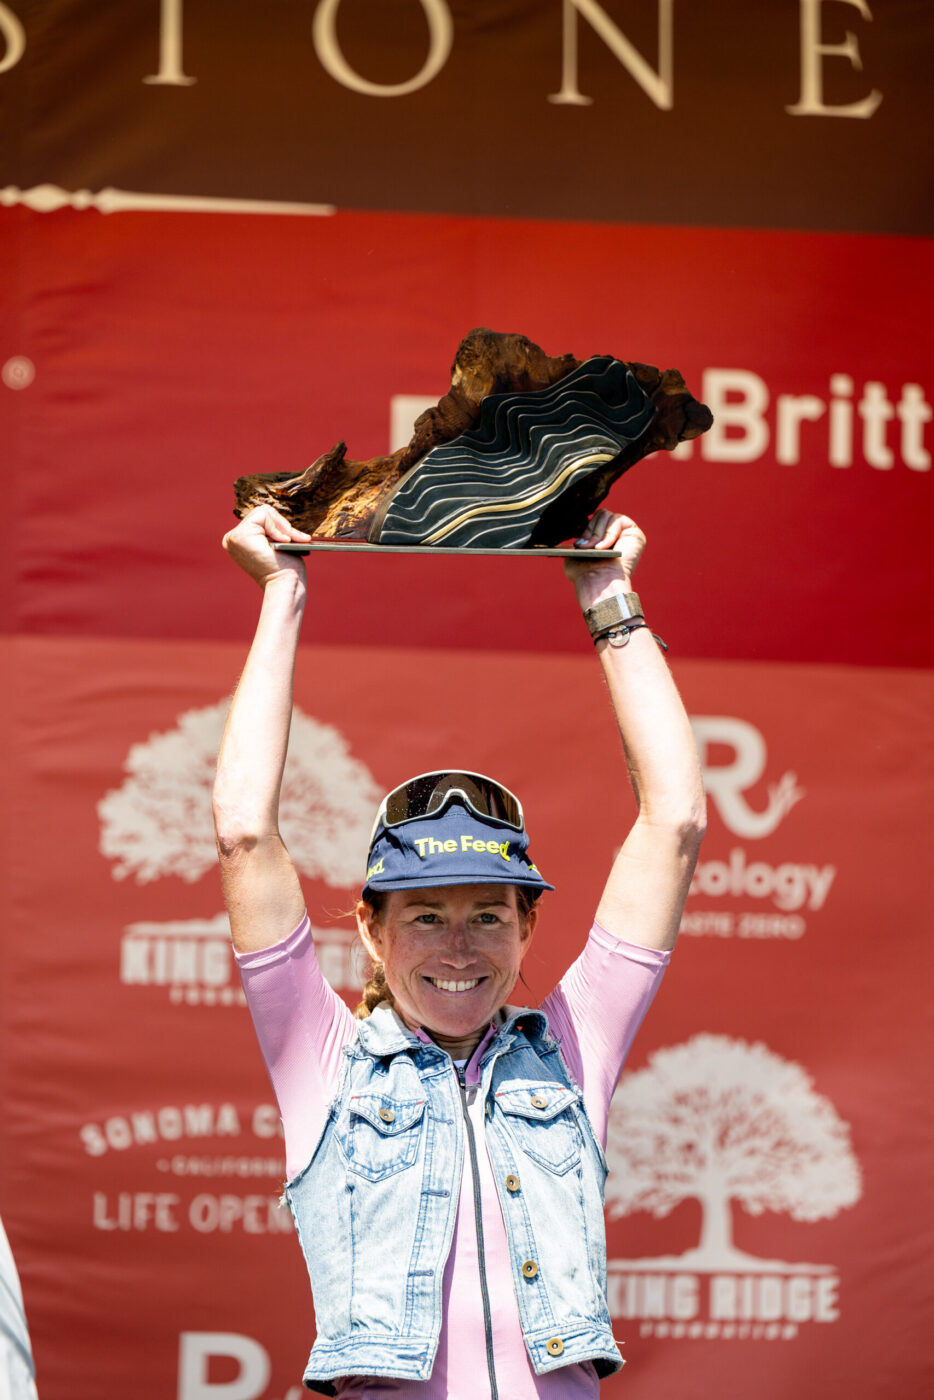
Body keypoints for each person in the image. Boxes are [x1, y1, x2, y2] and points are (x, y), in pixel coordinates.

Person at [213, 505, 705, 1398]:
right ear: (368, 927)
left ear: (527, 929)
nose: (459, 948)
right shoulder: (322, 1062)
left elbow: (673, 824)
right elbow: (246, 836)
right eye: (425, 916)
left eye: (487, 914)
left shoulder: (573, 1048)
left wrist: (608, 594)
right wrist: (282, 590)